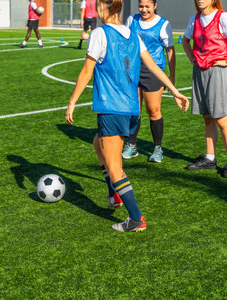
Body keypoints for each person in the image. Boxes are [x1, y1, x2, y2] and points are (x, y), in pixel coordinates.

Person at [65, 0, 189, 232]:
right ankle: (115, 195)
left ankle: (136, 218)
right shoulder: (133, 35)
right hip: (131, 109)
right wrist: (174, 91)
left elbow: (86, 71)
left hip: (112, 108)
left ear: (104, 7)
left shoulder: (100, 33)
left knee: (114, 165)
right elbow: (153, 65)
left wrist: (72, 102)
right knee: (97, 142)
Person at [182, 0, 227, 178]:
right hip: (199, 71)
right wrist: (192, 59)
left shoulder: (222, 17)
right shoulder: (194, 19)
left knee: (220, 117)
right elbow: (185, 40)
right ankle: (210, 158)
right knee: (207, 116)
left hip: (216, 70)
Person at [122, 0, 176, 163]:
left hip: (153, 72)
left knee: (153, 110)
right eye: (141, 6)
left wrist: (171, 77)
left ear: (155, 6)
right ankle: (131, 146)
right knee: (133, 110)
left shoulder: (163, 24)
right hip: (133, 70)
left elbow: (170, 51)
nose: (144, 10)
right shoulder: (132, 20)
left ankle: (157, 148)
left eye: (147, 6)